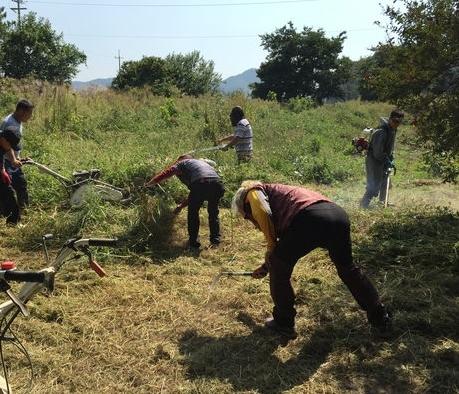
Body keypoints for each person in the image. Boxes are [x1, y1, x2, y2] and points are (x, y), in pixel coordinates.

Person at [232, 180, 392, 338]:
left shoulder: (252, 192)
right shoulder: (276, 193)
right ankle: (380, 317)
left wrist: (271, 249)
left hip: (309, 218)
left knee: (279, 267)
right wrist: (265, 266)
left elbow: (262, 214)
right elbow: (289, 244)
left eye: (247, 217)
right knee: (348, 269)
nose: (253, 222)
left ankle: (284, 321)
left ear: (243, 203)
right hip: (337, 215)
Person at [146, 155, 225, 249]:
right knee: (213, 213)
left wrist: (149, 184)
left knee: (193, 213)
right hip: (218, 185)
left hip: (201, 183)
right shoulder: (201, 163)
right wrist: (182, 206)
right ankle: (215, 242)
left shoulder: (181, 163)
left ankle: (194, 244)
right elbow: (196, 194)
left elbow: (167, 173)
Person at [360, 109, 404, 209]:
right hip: (374, 160)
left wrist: (391, 156)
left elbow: (390, 146)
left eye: (399, 122)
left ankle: (382, 202)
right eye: (394, 121)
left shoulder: (393, 130)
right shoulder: (382, 132)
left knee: (385, 182)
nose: (396, 124)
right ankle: (364, 205)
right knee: (374, 185)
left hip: (383, 159)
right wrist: (386, 160)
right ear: (390, 119)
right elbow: (378, 152)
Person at [0, 99, 34, 215]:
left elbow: (14, 143)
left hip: (12, 160)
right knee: (6, 188)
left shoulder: (18, 122)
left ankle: (24, 210)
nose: (30, 117)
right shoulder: (9, 123)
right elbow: (6, 144)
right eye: (29, 114)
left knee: (21, 184)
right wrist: (13, 160)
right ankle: (4, 214)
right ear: (20, 112)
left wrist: (18, 157)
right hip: (5, 161)